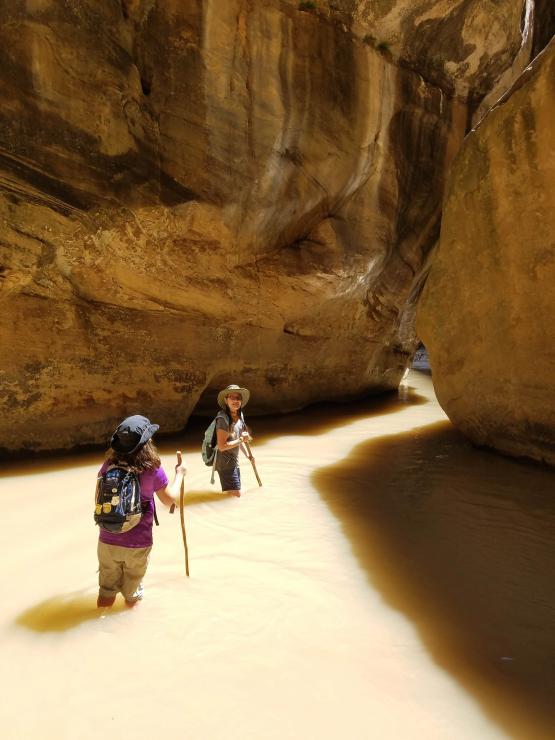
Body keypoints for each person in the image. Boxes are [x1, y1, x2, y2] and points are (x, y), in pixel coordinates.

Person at [96, 414, 186, 608]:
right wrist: (180, 474)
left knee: (106, 591)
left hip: (107, 538)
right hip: (137, 542)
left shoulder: (108, 465)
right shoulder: (151, 468)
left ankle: (101, 619)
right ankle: (129, 623)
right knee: (132, 594)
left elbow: (98, 498)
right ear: (147, 443)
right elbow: (168, 500)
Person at [214, 384, 252, 497]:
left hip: (234, 461)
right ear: (226, 401)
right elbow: (222, 446)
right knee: (237, 496)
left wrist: (248, 456)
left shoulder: (240, 415)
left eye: (238, 398)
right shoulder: (222, 419)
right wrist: (241, 439)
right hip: (225, 463)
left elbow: (238, 440)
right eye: (232, 397)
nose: (236, 400)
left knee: (232, 495)